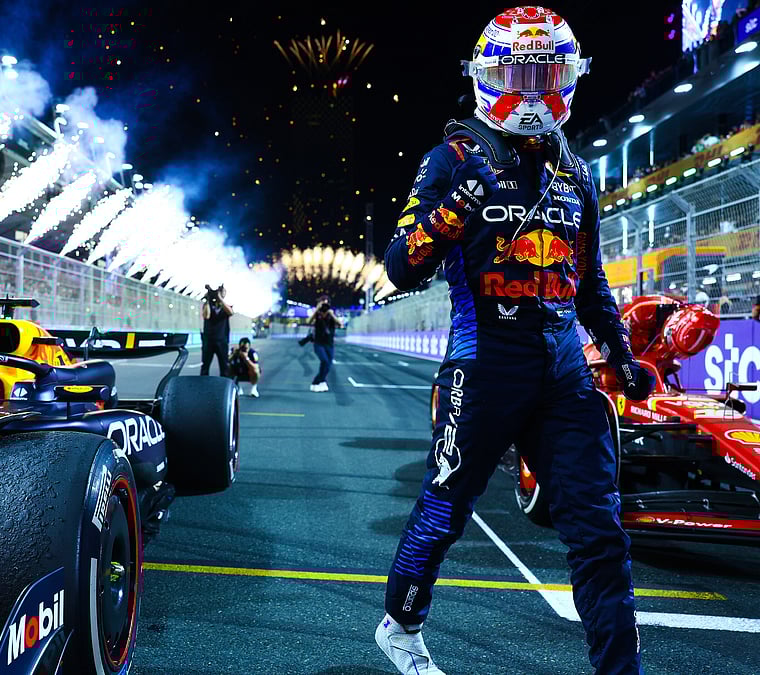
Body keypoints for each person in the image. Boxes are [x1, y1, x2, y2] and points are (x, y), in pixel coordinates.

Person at [376, 8, 654, 675]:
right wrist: (455, 209)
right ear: (486, 76)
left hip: (564, 370)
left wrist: (621, 354)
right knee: (446, 506)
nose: (531, 93)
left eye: (544, 76)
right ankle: (401, 628)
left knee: (599, 530)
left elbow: (589, 281)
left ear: (568, 78)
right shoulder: (450, 158)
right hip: (482, 364)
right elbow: (400, 266)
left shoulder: (576, 172)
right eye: (517, 76)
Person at [309, 295, 341, 392]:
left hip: (329, 343)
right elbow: (309, 321)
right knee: (324, 361)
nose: (324, 306)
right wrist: (316, 310)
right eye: (323, 304)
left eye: (326, 304)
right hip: (318, 343)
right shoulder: (317, 314)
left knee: (328, 365)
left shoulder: (331, 315)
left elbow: (340, 324)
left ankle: (320, 381)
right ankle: (317, 382)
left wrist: (332, 315)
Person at [200, 284, 233, 376]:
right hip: (208, 340)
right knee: (205, 367)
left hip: (222, 341)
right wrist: (207, 300)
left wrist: (220, 299)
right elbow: (206, 316)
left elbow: (230, 312)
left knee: (224, 367)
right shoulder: (208, 305)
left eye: (222, 291)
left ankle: (224, 383)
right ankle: (203, 383)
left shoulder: (226, 306)